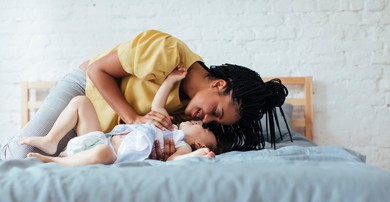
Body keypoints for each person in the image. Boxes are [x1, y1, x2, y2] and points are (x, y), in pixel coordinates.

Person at [0, 29, 289, 160]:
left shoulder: (190, 117)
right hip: (86, 90)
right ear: (218, 85)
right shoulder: (167, 52)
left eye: (214, 122)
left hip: (102, 135)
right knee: (21, 154)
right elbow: (99, 70)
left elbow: (172, 141)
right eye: (216, 111)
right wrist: (134, 117)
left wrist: (163, 152)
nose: (207, 118)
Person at [19, 66, 216, 166]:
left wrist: (197, 155)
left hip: (106, 154)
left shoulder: (181, 145)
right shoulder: (167, 124)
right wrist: (172, 79)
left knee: (104, 152)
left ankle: (55, 162)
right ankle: (51, 140)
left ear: (200, 144)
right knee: (81, 102)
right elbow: (158, 103)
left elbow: (175, 163)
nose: (199, 121)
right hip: (96, 138)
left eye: (202, 127)